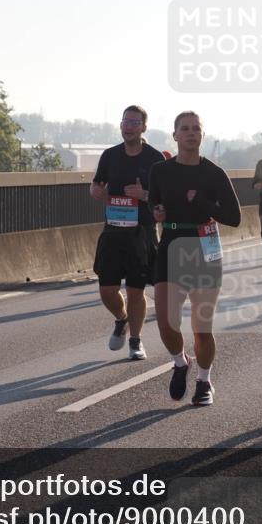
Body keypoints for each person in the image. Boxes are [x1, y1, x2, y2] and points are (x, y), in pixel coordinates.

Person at [148, 111, 241, 406]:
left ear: (202, 135)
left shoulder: (214, 173)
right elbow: (154, 202)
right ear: (174, 135)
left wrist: (201, 202)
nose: (190, 133)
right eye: (184, 129)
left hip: (204, 247)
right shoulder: (160, 171)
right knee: (166, 323)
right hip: (171, 244)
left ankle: (204, 381)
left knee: (202, 326)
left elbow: (235, 217)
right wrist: (157, 212)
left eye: (195, 129)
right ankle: (179, 362)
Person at [90, 105, 166, 360]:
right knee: (107, 290)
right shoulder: (110, 155)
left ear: (144, 127)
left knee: (136, 291)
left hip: (141, 232)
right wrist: (96, 191)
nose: (129, 126)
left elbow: (164, 198)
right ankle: (121, 319)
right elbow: (97, 184)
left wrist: (143, 195)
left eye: (135, 122)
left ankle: (135, 340)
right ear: (120, 126)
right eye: (125, 121)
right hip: (112, 231)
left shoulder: (155, 159)